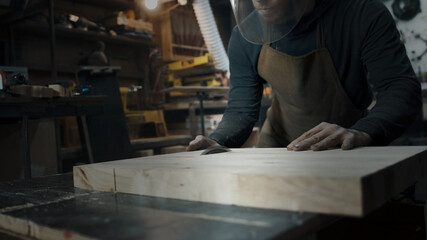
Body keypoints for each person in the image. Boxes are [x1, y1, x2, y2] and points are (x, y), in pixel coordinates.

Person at [187, 0, 422, 152]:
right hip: (279, 150)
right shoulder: (245, 35)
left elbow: (400, 88)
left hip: (344, 148)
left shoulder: (362, 15)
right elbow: (240, 110)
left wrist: (363, 131)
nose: (259, 1)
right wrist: (217, 142)